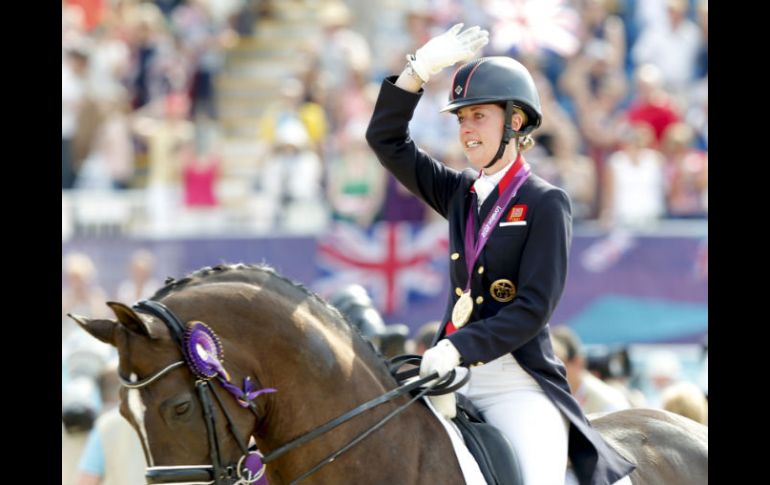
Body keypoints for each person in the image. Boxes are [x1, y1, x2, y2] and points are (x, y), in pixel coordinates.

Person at [365, 24, 634, 485]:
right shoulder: (458, 192)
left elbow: (533, 309)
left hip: (517, 386)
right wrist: (418, 70)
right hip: (450, 377)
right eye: (461, 119)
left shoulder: (547, 202)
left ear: (514, 121)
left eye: (478, 117)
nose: (466, 130)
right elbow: (386, 141)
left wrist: (457, 345)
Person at [550, 326, 631, 415]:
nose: (550, 369)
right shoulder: (548, 397)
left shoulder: (609, 403)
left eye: (558, 362)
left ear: (578, 362)